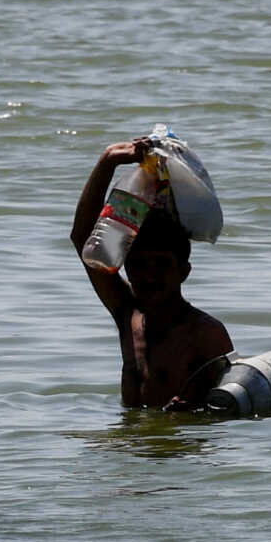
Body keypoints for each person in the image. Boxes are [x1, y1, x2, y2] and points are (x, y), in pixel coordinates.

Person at [70, 138, 236, 410]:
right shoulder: (128, 314)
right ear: (124, 265)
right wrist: (107, 160)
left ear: (184, 271)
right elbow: (83, 239)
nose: (149, 276)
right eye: (139, 265)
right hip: (131, 444)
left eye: (161, 265)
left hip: (178, 448)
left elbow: (233, 404)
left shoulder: (205, 333)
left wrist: (195, 414)